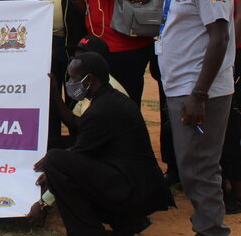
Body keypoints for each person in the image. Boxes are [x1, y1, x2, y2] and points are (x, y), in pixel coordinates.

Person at [156, 0, 235, 236]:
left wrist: (199, 94)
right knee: (192, 167)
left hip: (200, 89)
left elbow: (219, 35)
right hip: (180, 84)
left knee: (199, 169)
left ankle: (212, 230)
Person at [35, 52, 172, 236]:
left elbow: (75, 158)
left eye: (73, 77)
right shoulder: (108, 98)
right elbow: (78, 128)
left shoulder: (101, 111)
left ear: (89, 80)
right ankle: (128, 223)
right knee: (60, 160)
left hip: (132, 191)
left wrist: (44, 201)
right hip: (136, 184)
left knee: (54, 159)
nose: (70, 82)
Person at [17, 0, 96, 148]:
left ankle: (77, 148)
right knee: (48, 98)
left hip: (73, 41)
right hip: (43, 44)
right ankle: (49, 148)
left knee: (76, 96)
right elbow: (23, 3)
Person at [152, 0, 207, 186]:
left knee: (201, 164)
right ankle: (174, 170)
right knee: (176, 137)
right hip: (173, 70)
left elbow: (219, 35)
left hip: (195, 79)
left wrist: (199, 92)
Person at [200, 0, 241, 213]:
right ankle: (216, 183)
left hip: (230, 55)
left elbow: (238, 15)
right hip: (207, 55)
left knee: (231, 124)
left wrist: (227, 51)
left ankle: (234, 190)